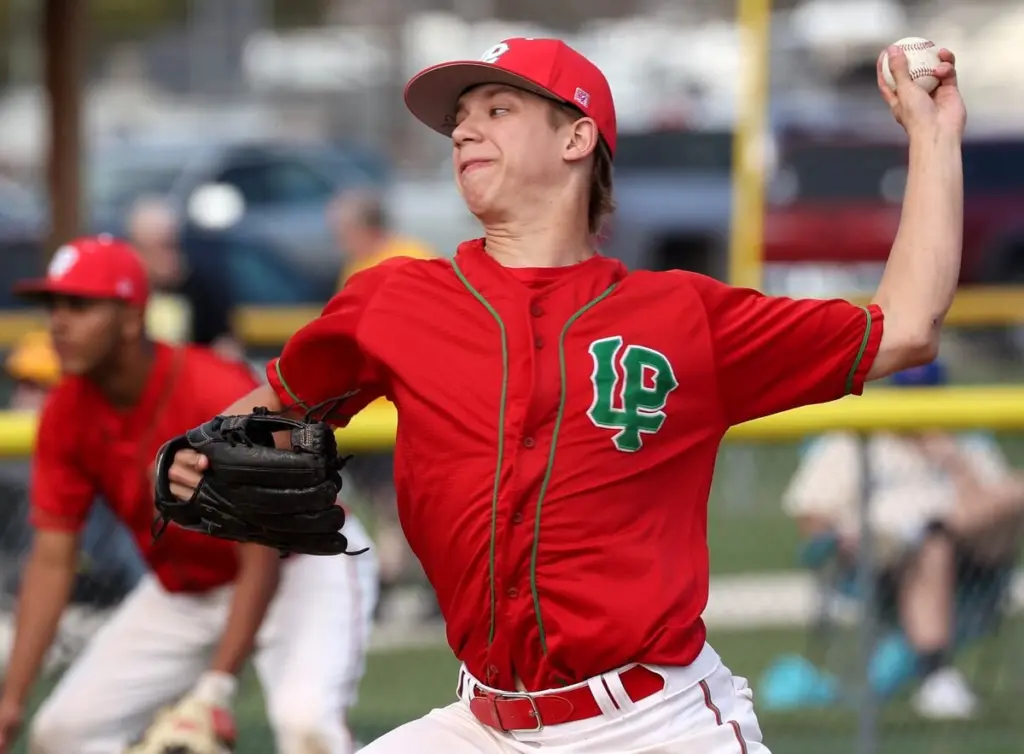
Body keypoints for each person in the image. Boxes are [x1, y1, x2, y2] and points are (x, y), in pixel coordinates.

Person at [164, 38, 965, 753]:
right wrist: (200, 454)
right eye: (460, 120)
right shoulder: (394, 301)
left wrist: (933, 138)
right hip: (481, 722)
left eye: (499, 109)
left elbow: (905, 326)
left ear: (578, 137)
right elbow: (272, 404)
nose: (466, 130)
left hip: (656, 724)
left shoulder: (683, 316)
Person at [0, 236, 378, 754]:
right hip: (190, 591)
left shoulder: (209, 387)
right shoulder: (67, 412)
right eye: (54, 306)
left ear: (132, 319)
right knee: (63, 734)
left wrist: (214, 688)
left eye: (80, 305)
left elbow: (263, 547)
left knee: (306, 724)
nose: (59, 323)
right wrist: (11, 700)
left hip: (299, 565)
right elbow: (51, 561)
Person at [781, 359, 1024, 719]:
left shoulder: (964, 440)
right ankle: (935, 676)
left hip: (976, 556)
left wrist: (953, 462)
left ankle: (935, 529)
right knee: (931, 545)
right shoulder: (856, 437)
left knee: (988, 506)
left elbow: (992, 507)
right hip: (882, 558)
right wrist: (839, 539)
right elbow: (811, 511)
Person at [327, 188, 437, 621]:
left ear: (363, 227)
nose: (340, 240)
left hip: (398, 419)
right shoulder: (357, 266)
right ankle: (387, 586)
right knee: (390, 516)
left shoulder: (407, 259)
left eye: (344, 231)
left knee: (405, 515)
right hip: (363, 422)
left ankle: (394, 587)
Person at [126, 195, 243, 360]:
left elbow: (227, 349)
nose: (171, 257)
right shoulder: (124, 294)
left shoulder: (203, 288)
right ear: (136, 249)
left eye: (174, 245)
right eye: (161, 247)